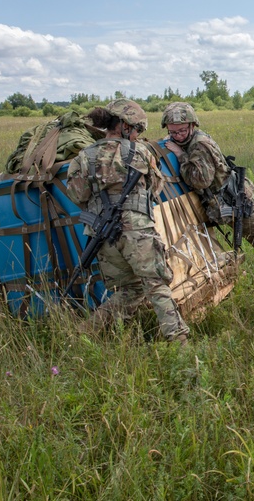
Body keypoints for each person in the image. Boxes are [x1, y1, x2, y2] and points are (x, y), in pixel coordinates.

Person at [66, 99, 190, 345]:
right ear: (124, 126)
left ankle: (83, 335)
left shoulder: (84, 156)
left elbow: (77, 195)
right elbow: (156, 187)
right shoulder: (141, 152)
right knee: (157, 286)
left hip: (103, 235)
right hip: (138, 232)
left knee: (130, 291)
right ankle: (181, 345)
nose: (137, 135)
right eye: (137, 129)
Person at [160, 102, 254, 264]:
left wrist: (180, 154)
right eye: (173, 132)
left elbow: (200, 180)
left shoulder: (200, 145)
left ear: (192, 125)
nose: (178, 136)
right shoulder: (185, 141)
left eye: (182, 130)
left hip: (233, 200)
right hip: (227, 200)